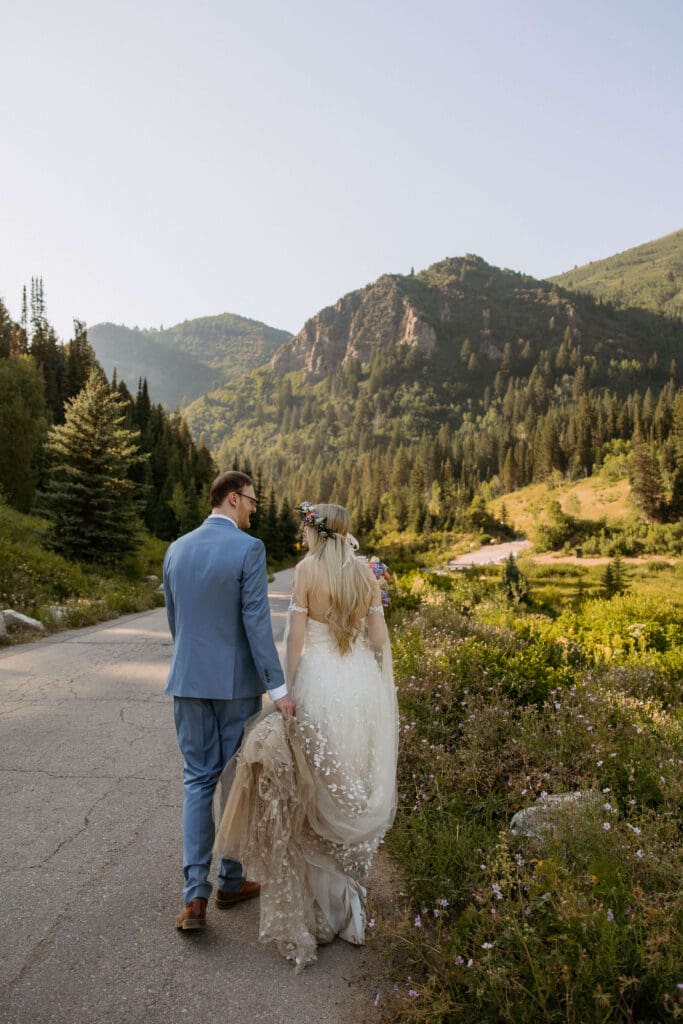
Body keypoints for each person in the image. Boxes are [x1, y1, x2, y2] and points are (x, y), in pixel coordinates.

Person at [215, 502, 398, 970]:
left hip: (319, 685)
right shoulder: (365, 573)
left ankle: (319, 909)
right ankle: (345, 899)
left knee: (314, 794)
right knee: (349, 787)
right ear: (348, 531)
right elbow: (378, 641)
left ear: (315, 531)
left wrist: (286, 692)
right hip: (358, 689)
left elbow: (294, 640)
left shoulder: (306, 570)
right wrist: (377, 599)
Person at [163, 470, 296, 932]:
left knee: (197, 782)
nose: (256, 508)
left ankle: (194, 898)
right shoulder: (248, 549)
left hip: (188, 683)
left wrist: (193, 667)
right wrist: (279, 690)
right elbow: (257, 625)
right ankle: (231, 881)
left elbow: (175, 623)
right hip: (237, 686)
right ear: (234, 499)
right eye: (253, 500)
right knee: (235, 783)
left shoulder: (176, 549)